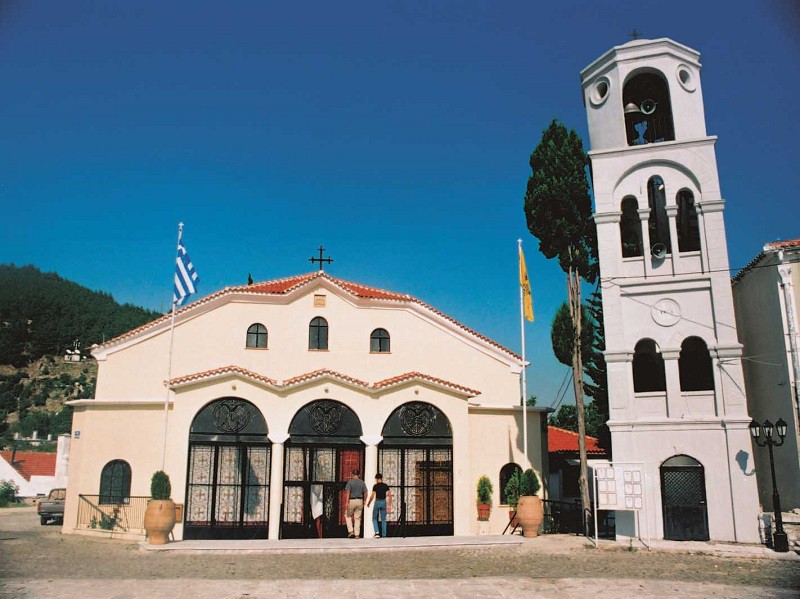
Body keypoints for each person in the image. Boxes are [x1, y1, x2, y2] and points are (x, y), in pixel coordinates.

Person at [343, 468, 367, 538]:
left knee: (347, 515)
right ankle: (357, 534)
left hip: (352, 500)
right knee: (357, 518)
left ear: (352, 475)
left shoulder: (350, 482)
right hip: (360, 500)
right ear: (359, 475)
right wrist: (364, 500)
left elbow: (348, 492)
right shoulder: (362, 482)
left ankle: (351, 531)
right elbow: (366, 492)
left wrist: (347, 502)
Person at [366, 473, 392, 538]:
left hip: (377, 502)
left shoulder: (375, 486)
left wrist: (368, 503)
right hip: (383, 502)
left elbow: (372, 496)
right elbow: (390, 495)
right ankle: (384, 535)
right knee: (383, 519)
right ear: (381, 478)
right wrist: (389, 505)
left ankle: (377, 532)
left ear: (376, 479)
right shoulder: (385, 485)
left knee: (374, 518)